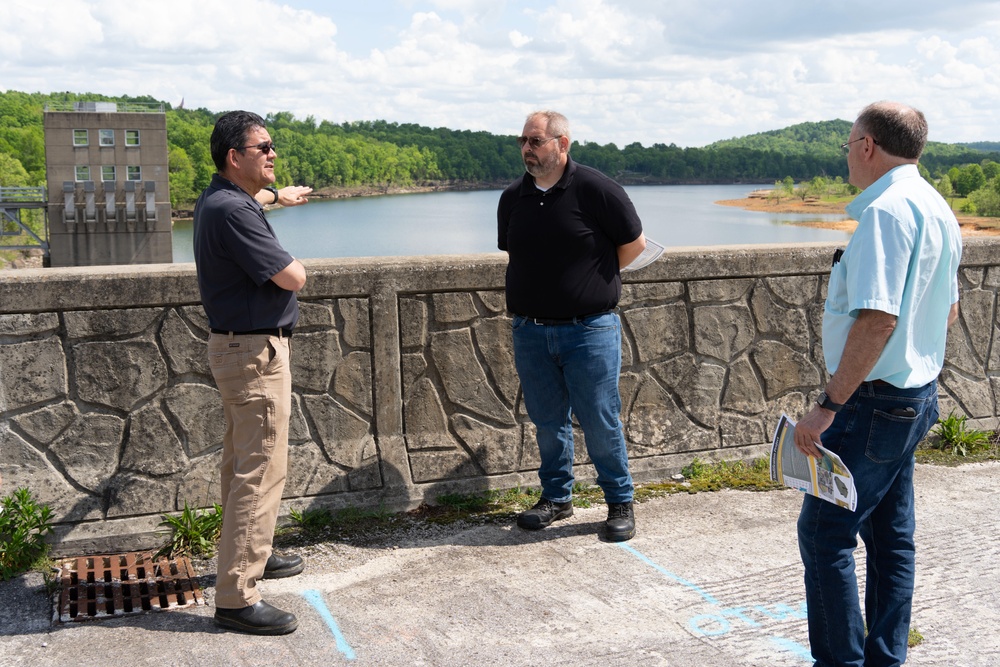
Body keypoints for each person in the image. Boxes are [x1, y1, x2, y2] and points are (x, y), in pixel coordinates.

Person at [793, 101, 962, 666]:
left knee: (825, 535)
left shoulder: (886, 213)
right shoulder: (937, 206)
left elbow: (877, 319)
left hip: (872, 402)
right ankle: (886, 657)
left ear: (868, 146)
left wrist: (827, 406)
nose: (847, 158)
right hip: (915, 396)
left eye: (848, 146)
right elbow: (950, 312)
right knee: (891, 539)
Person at [497, 110, 647, 542]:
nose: (528, 149)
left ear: (563, 144)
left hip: (589, 330)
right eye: (523, 140)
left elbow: (634, 245)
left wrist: (591, 280)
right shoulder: (512, 198)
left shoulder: (598, 189)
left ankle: (620, 501)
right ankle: (557, 498)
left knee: (600, 419)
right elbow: (517, 252)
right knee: (547, 421)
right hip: (530, 330)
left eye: (537, 141)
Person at [193, 110, 307, 635]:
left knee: (242, 464)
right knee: (259, 471)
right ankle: (236, 595)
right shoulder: (233, 213)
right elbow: (292, 276)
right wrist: (290, 256)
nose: (272, 154)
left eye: (272, 146)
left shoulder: (220, 200)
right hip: (255, 354)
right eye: (263, 148)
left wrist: (276, 197)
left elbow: (252, 202)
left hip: (238, 350)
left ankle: (253, 554)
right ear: (234, 157)